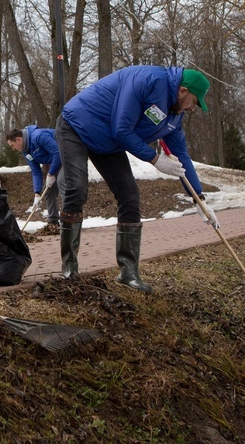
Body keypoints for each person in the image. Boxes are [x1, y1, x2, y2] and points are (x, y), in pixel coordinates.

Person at [57, 66, 214, 291]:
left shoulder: (174, 117)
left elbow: (182, 157)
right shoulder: (147, 80)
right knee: (77, 188)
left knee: (130, 196)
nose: (192, 108)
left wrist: (198, 198)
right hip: (76, 126)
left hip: (108, 143)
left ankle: (128, 273)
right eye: (194, 101)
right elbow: (121, 129)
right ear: (182, 90)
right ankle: (69, 269)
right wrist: (154, 159)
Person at [6, 125, 61, 233]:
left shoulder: (38, 136)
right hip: (55, 161)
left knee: (64, 185)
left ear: (18, 139)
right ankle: (54, 222)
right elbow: (36, 172)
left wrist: (51, 174)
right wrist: (37, 193)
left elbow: (57, 152)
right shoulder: (26, 151)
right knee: (49, 190)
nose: (13, 149)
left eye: (13, 145)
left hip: (66, 155)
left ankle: (70, 219)